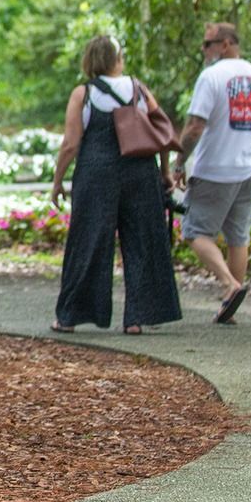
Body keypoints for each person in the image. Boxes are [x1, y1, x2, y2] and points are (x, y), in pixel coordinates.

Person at [49, 35, 183, 335]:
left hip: (97, 174)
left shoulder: (83, 94)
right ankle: (137, 317)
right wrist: (164, 172)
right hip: (140, 173)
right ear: (117, 60)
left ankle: (70, 316)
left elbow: (70, 144)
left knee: (89, 241)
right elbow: (161, 131)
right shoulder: (139, 89)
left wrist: (57, 182)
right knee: (142, 242)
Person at [172, 21, 251, 324]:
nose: (203, 50)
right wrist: (249, 153)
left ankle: (229, 284)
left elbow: (194, 126)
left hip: (214, 169)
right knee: (238, 237)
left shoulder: (211, 76)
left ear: (225, 44)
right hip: (247, 168)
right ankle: (229, 307)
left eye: (207, 44)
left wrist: (179, 162)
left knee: (195, 231)